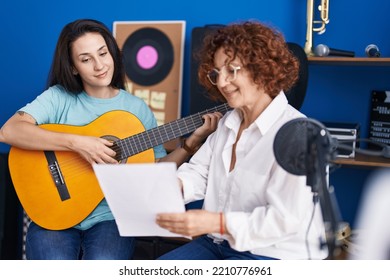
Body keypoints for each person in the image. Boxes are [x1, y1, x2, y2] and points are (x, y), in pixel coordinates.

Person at [0, 19, 221, 260]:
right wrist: (79, 144)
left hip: (111, 217)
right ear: (73, 67)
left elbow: (154, 171)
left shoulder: (135, 108)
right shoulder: (58, 97)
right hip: (54, 212)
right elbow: (9, 131)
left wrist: (189, 145)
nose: (99, 65)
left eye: (103, 53)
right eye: (86, 59)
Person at [156, 20, 328, 260]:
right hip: (216, 242)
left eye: (231, 70)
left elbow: (285, 219)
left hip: (271, 253)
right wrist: (177, 185)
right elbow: (200, 173)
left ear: (262, 68)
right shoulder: (228, 123)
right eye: (217, 73)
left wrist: (217, 222)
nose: (222, 82)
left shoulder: (300, 134)